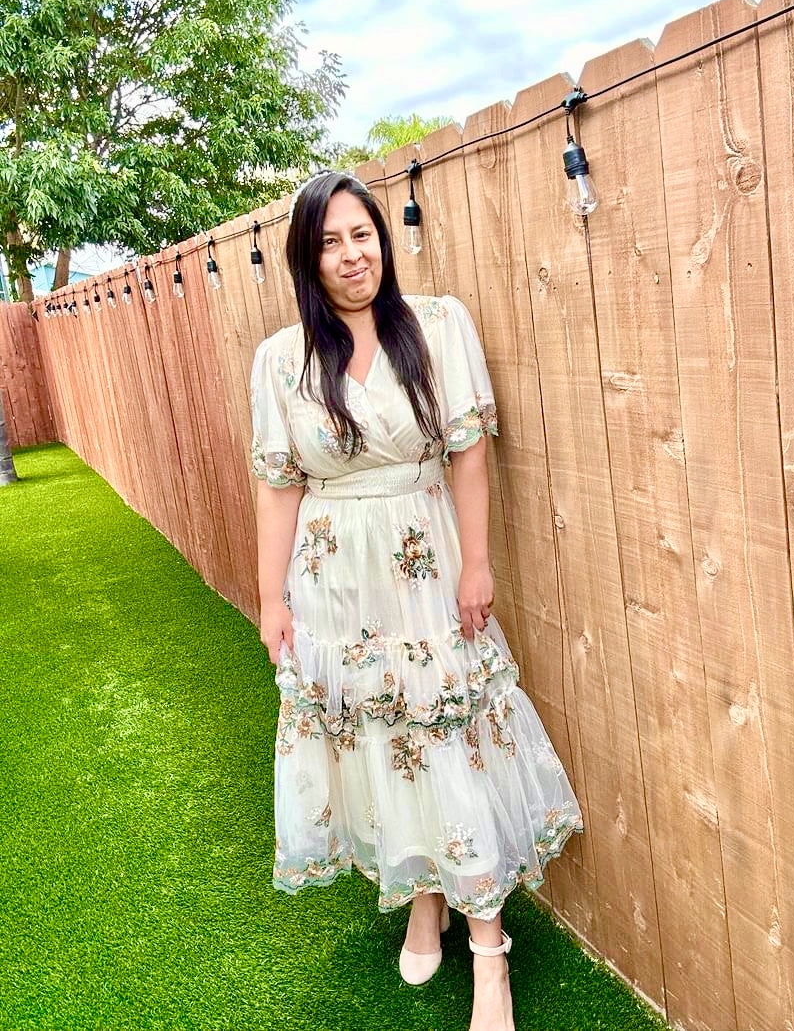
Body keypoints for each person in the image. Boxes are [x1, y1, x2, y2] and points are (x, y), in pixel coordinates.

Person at [249, 170, 584, 1031]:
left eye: (361, 235)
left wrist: (478, 563)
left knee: (444, 739)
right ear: (306, 258)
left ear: (382, 239)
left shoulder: (436, 324)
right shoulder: (281, 360)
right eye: (328, 242)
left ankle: (488, 952)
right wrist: (271, 598)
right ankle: (422, 898)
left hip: (426, 567)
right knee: (380, 743)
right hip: (334, 580)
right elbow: (279, 487)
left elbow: (468, 452)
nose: (349, 256)